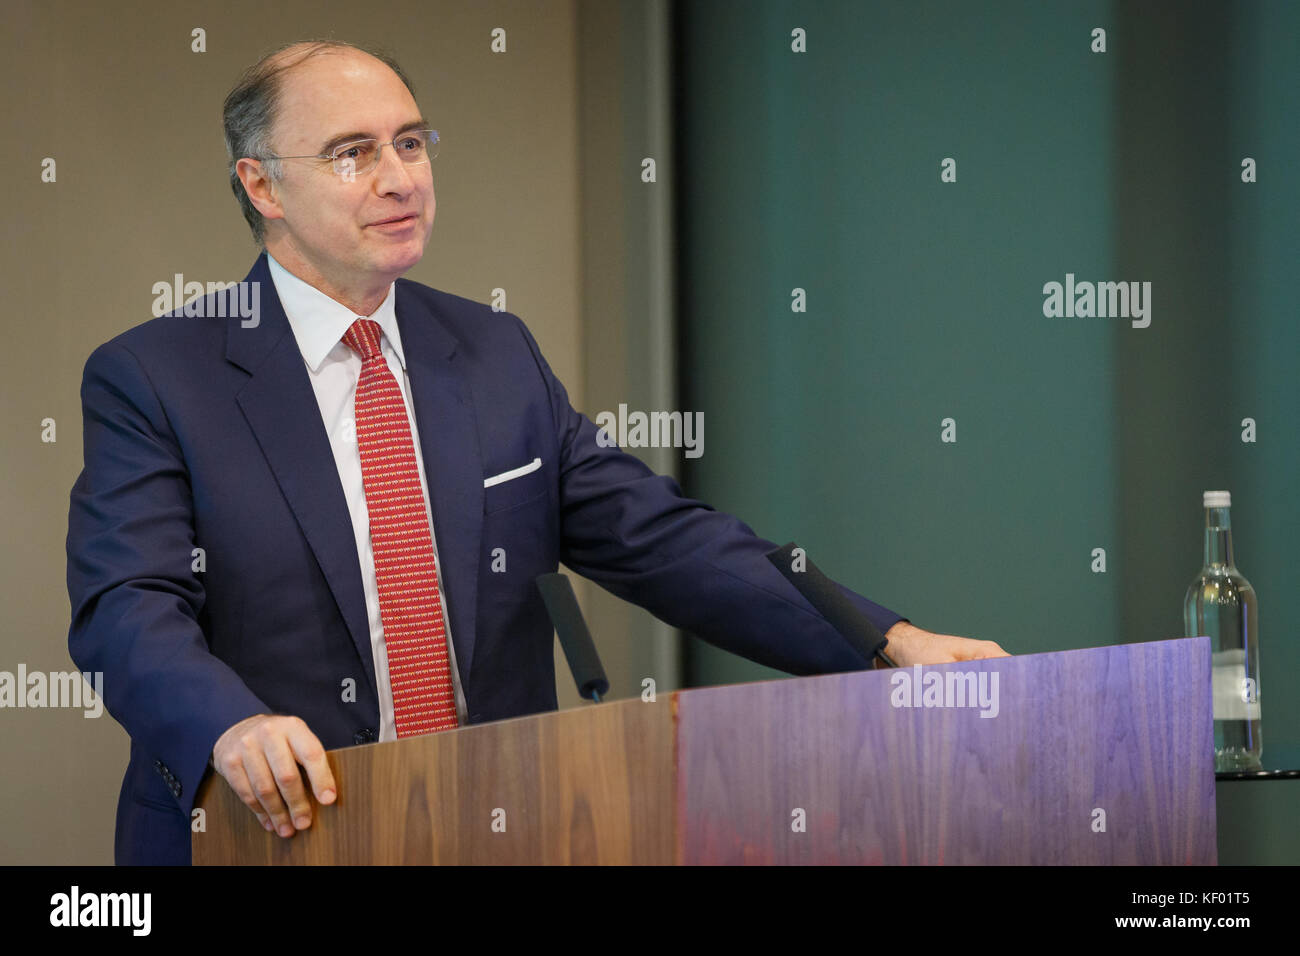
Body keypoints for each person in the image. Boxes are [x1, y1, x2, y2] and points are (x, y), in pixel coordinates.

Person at [66, 39, 1008, 865]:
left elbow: (664, 541)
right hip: (264, 837)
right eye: (352, 153)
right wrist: (230, 725)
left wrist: (884, 643)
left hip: (496, 825)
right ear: (261, 184)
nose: (401, 177)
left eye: (410, 142)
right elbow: (126, 608)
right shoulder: (158, 377)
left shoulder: (492, 353)